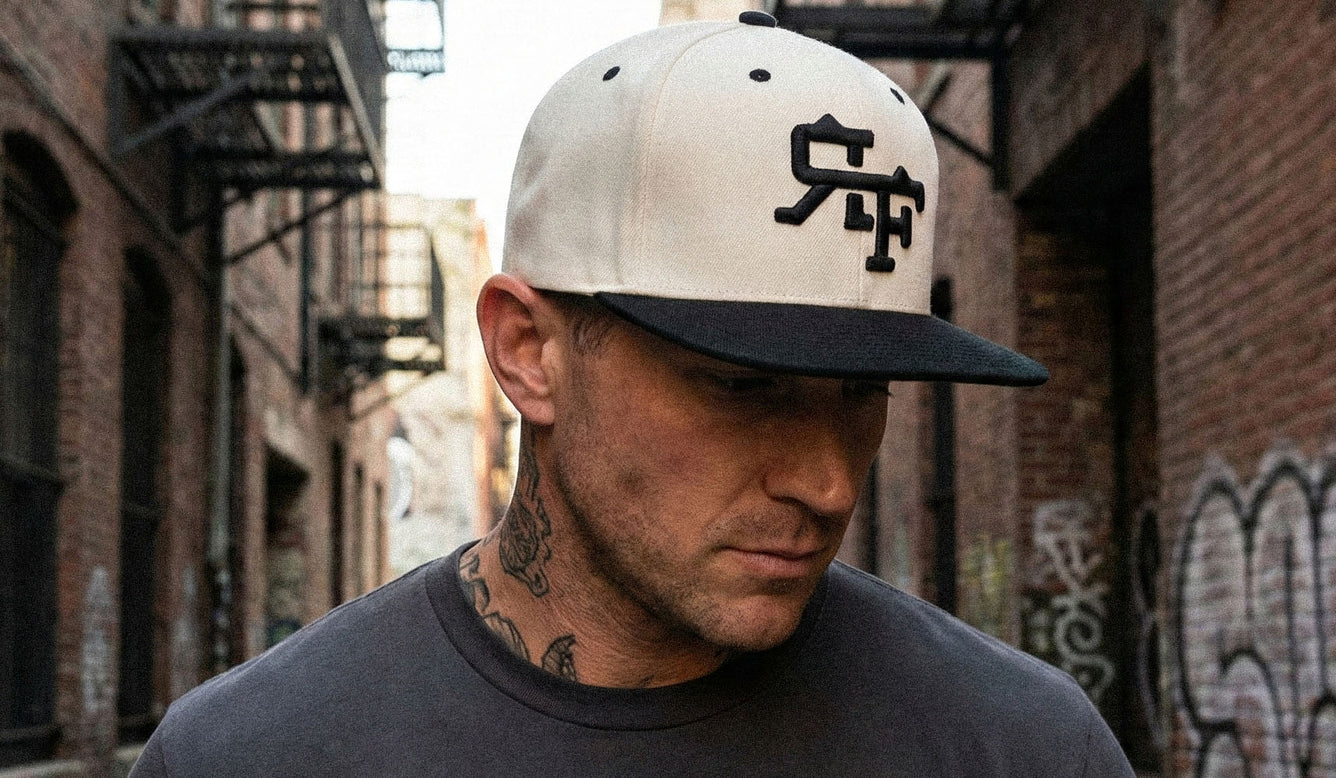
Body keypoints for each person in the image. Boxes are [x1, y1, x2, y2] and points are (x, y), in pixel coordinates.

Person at [131, 12, 1134, 777]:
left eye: (862, 391)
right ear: (528, 350)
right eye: (742, 385)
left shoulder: (1023, 746)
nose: (828, 482)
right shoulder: (250, 754)